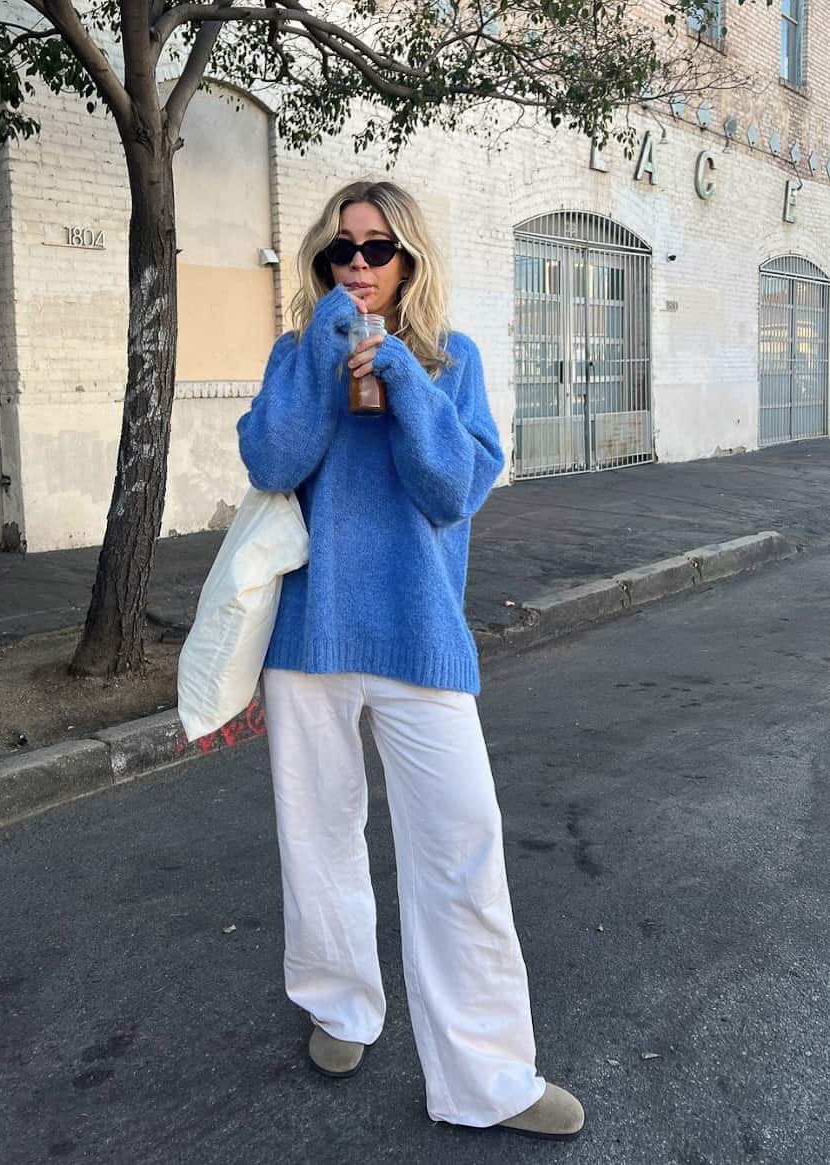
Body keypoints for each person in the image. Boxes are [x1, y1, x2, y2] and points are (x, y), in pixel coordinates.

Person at [236, 180, 585, 1140]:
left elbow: (451, 489)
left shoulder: (452, 358)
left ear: (411, 260)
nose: (357, 266)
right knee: (319, 834)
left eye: (377, 249)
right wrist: (321, 355)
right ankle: (339, 1004)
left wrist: (404, 381)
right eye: (339, 252)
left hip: (421, 634)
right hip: (309, 638)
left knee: (462, 847)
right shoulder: (293, 352)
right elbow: (271, 461)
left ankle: (491, 1075)